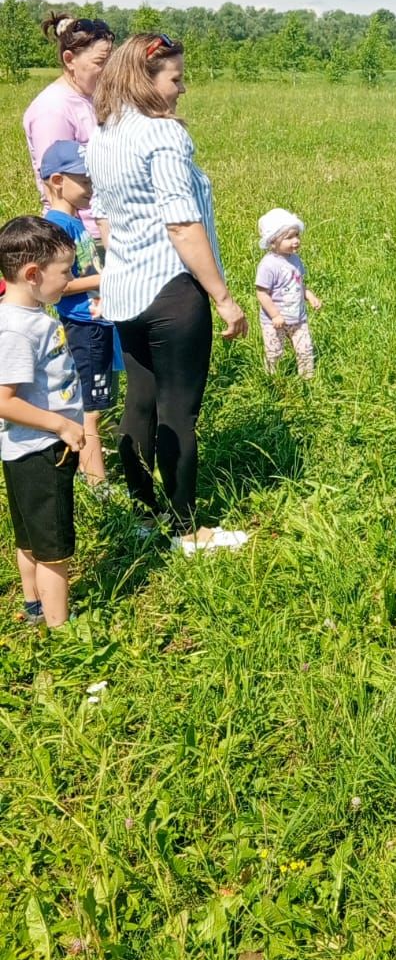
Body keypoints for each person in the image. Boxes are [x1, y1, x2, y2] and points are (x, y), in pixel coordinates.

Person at [85, 33, 250, 555]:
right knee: (179, 413)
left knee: (140, 402)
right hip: (172, 290)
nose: (182, 88)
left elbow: (105, 222)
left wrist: (125, 265)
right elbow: (182, 225)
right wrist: (222, 297)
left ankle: (142, 512)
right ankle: (186, 528)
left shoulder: (104, 136)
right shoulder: (164, 137)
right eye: (175, 78)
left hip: (125, 290)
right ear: (145, 79)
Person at [0, 216, 86, 628]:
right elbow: (3, 401)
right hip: (40, 450)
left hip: (27, 449)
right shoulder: (17, 329)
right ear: (33, 274)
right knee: (54, 548)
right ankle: (60, 628)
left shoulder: (27, 317)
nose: (69, 281)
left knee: (29, 537)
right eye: (65, 271)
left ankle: (34, 607)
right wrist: (61, 425)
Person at [41, 140, 116, 485]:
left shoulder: (72, 223)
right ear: (58, 181)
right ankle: (96, 484)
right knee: (91, 410)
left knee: (98, 403)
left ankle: (96, 472)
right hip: (83, 325)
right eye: (83, 181)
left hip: (95, 321)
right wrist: (107, 278)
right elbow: (56, 287)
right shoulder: (56, 226)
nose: (90, 187)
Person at [24, 12, 115, 237]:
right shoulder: (53, 110)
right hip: (81, 235)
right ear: (69, 59)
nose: (108, 71)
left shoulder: (93, 97)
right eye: (100, 62)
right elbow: (57, 185)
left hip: (107, 229)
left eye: (110, 61)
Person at [255, 208, 322, 378]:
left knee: (305, 349)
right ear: (272, 240)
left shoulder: (296, 260)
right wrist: (275, 315)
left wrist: (310, 296)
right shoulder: (268, 265)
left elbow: (298, 284)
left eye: (297, 235)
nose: (296, 241)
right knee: (275, 352)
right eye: (289, 237)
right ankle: (273, 380)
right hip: (274, 321)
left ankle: (307, 380)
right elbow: (262, 293)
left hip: (298, 318)